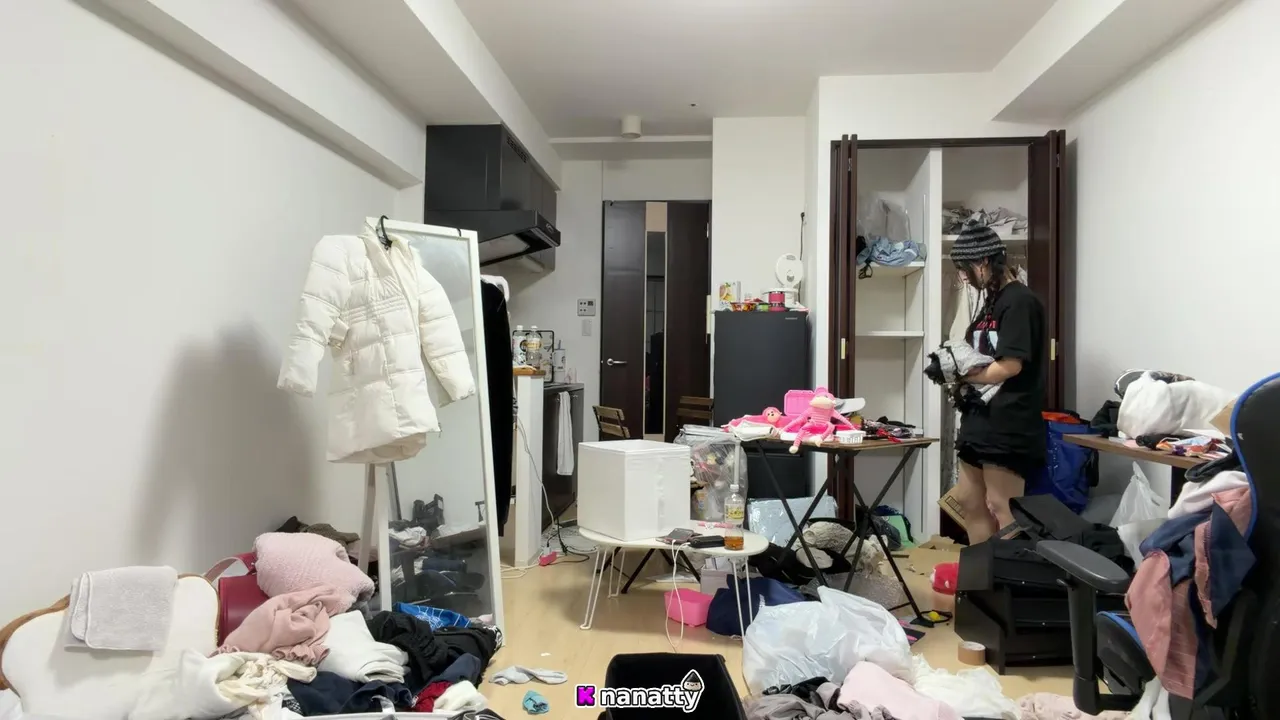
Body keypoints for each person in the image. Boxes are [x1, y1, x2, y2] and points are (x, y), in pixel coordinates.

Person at [950, 221, 1046, 544]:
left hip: (1009, 422)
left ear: (983, 262)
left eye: (966, 268)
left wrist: (964, 375)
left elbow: (1010, 366)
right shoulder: (991, 303)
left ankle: (1009, 574)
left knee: (1001, 505)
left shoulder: (1019, 301)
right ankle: (982, 573)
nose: (964, 277)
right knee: (968, 499)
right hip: (980, 418)